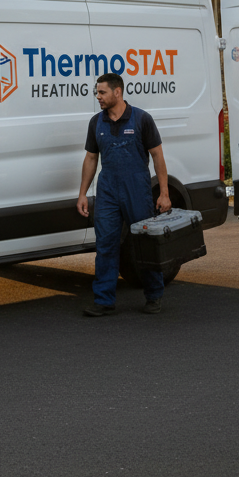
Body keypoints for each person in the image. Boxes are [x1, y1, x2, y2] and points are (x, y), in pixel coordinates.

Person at [77, 73, 171, 316]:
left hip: (136, 187)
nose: (98, 97)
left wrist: (164, 193)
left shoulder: (141, 119)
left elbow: (158, 156)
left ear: (117, 92)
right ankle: (104, 300)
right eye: (96, 92)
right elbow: (91, 158)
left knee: (144, 242)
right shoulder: (96, 122)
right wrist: (82, 194)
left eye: (102, 92)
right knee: (106, 244)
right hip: (107, 188)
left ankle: (153, 295)